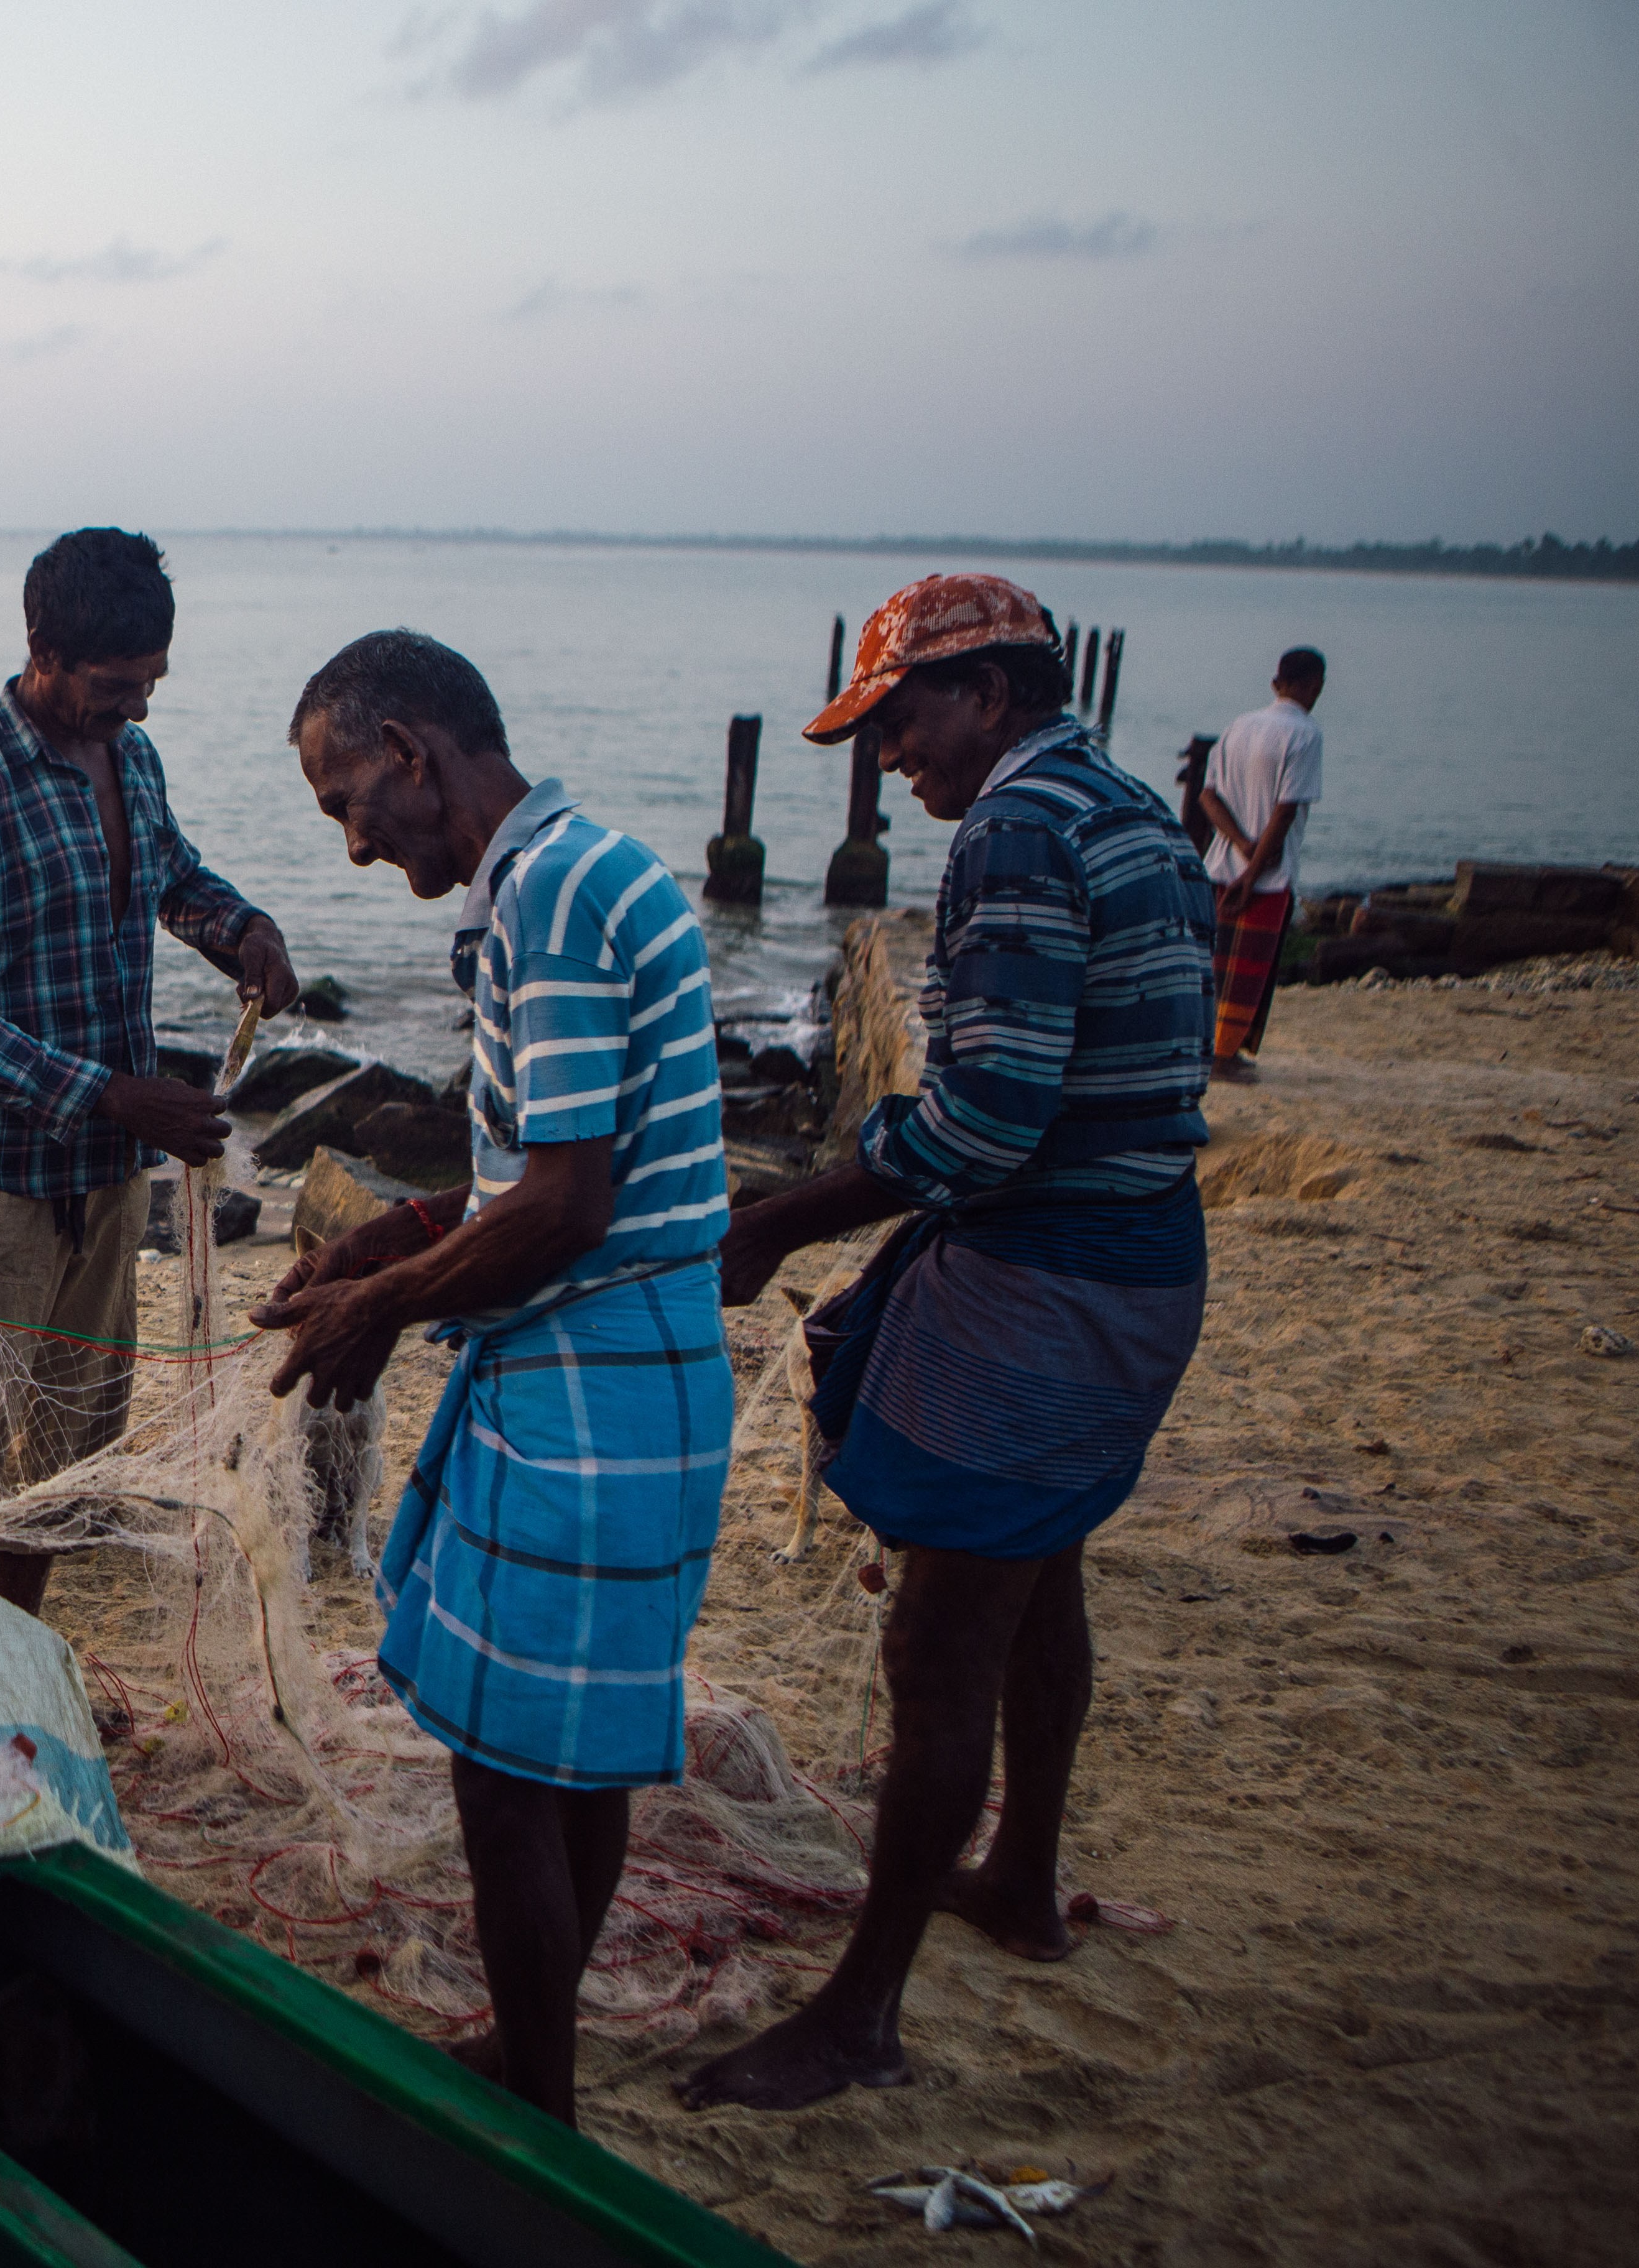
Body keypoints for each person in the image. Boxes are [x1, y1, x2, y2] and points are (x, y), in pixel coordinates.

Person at [676, 573, 1213, 2114]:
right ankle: (1022, 1878)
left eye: (902, 721)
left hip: (1047, 1284)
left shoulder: (1017, 829)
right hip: (1139, 1257)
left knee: (937, 1641)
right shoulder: (1129, 808)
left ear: (987, 694)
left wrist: (784, 1215)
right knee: (1040, 1573)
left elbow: (984, 1123)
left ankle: (860, 2012)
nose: (889, 756)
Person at [251, 630, 730, 2128]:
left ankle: (538, 2115)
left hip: (591, 1387)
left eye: (348, 801)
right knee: (572, 1759)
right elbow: (538, 1171)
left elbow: (569, 1209)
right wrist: (388, 1242)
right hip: (625, 1369)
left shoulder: (550, 898)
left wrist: (382, 1307)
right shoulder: (577, 870)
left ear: (411, 751)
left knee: (508, 1778)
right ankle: (535, 2060)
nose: (351, 845)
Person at [0, 527, 298, 1611]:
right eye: (117, 688)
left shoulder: (132, 760)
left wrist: (243, 930)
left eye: (151, 685)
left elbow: (172, 877)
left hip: (109, 1183)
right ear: (44, 653)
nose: (139, 710)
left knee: (68, 1459)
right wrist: (111, 1094)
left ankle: (19, 1646)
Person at [1202, 647, 1326, 1076]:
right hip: (1267, 878)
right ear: (1315, 686)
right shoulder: (1306, 734)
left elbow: (1208, 797)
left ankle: (1208, 1049)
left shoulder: (1239, 726)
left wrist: (1240, 843)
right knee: (1249, 971)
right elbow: (1285, 811)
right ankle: (1224, 1056)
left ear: (1276, 683)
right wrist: (1254, 871)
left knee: (1215, 965)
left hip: (1221, 866)